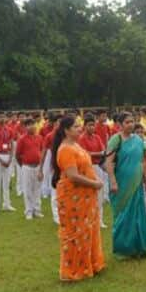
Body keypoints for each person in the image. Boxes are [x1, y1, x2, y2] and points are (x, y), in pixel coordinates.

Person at [50, 116, 105, 281]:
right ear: (66, 130)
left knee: (88, 230)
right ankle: (72, 270)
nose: (79, 129)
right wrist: (94, 184)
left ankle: (90, 264)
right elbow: (73, 176)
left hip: (85, 196)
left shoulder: (75, 145)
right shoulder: (65, 149)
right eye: (76, 127)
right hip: (73, 197)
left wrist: (95, 181)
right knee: (76, 233)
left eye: (79, 126)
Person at [105, 112, 146, 259]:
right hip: (121, 184)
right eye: (127, 122)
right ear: (120, 124)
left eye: (132, 121)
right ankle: (123, 249)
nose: (131, 124)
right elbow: (109, 162)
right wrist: (113, 181)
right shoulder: (116, 140)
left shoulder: (139, 140)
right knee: (122, 215)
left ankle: (139, 247)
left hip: (137, 183)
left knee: (139, 215)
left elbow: (144, 161)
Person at [79, 115, 108, 229]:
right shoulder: (82, 138)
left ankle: (99, 220)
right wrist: (98, 153)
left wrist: (100, 154)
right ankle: (88, 219)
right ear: (85, 126)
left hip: (98, 166)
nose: (92, 127)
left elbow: (103, 151)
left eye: (93, 125)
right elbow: (84, 153)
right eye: (89, 125)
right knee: (89, 195)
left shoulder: (97, 137)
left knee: (99, 195)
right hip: (88, 167)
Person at [16, 118, 44, 220]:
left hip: (37, 166)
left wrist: (40, 168)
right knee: (27, 190)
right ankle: (28, 211)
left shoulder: (39, 138)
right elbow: (17, 155)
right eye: (29, 125)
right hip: (27, 166)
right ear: (25, 127)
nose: (31, 126)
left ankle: (37, 210)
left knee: (37, 189)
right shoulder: (22, 139)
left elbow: (41, 151)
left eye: (33, 124)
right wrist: (23, 165)